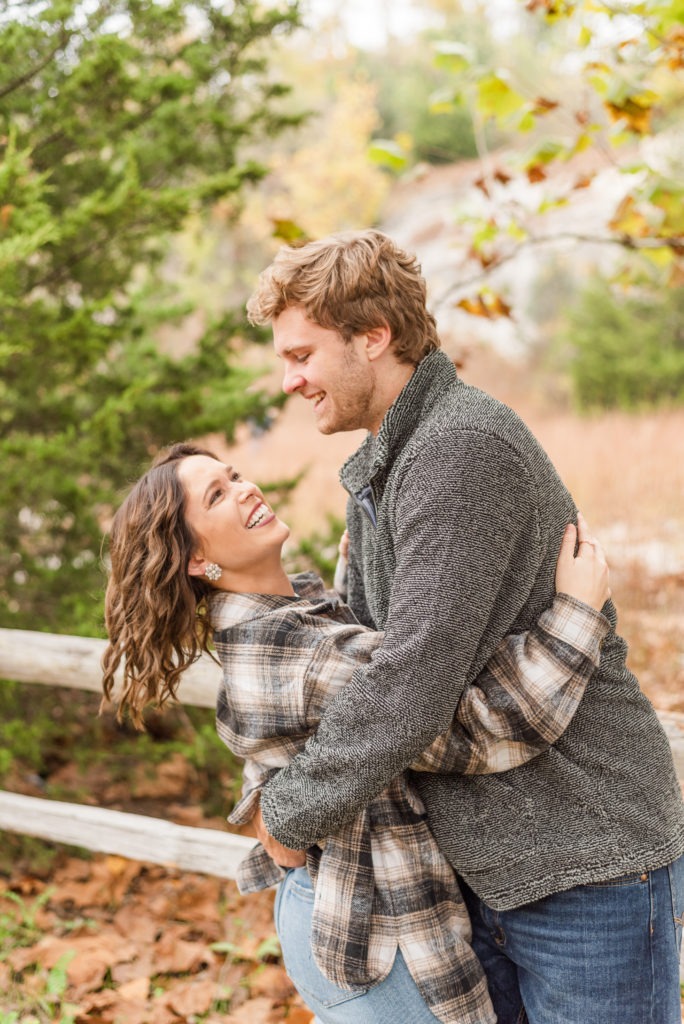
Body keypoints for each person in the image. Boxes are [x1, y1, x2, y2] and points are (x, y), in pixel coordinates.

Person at [246, 229, 684, 1024]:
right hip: (490, 864)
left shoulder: (459, 449)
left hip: (580, 855)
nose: (290, 380)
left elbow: (409, 683)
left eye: (302, 355)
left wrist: (290, 810)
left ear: (372, 337)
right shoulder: (394, 457)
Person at [102, 442, 612, 1024]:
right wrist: (575, 613)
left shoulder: (286, 616)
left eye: (234, 474)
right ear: (197, 560)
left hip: (334, 909)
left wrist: (359, 577)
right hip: (377, 932)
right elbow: (483, 727)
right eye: (217, 496)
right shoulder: (291, 655)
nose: (245, 488)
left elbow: (342, 690)